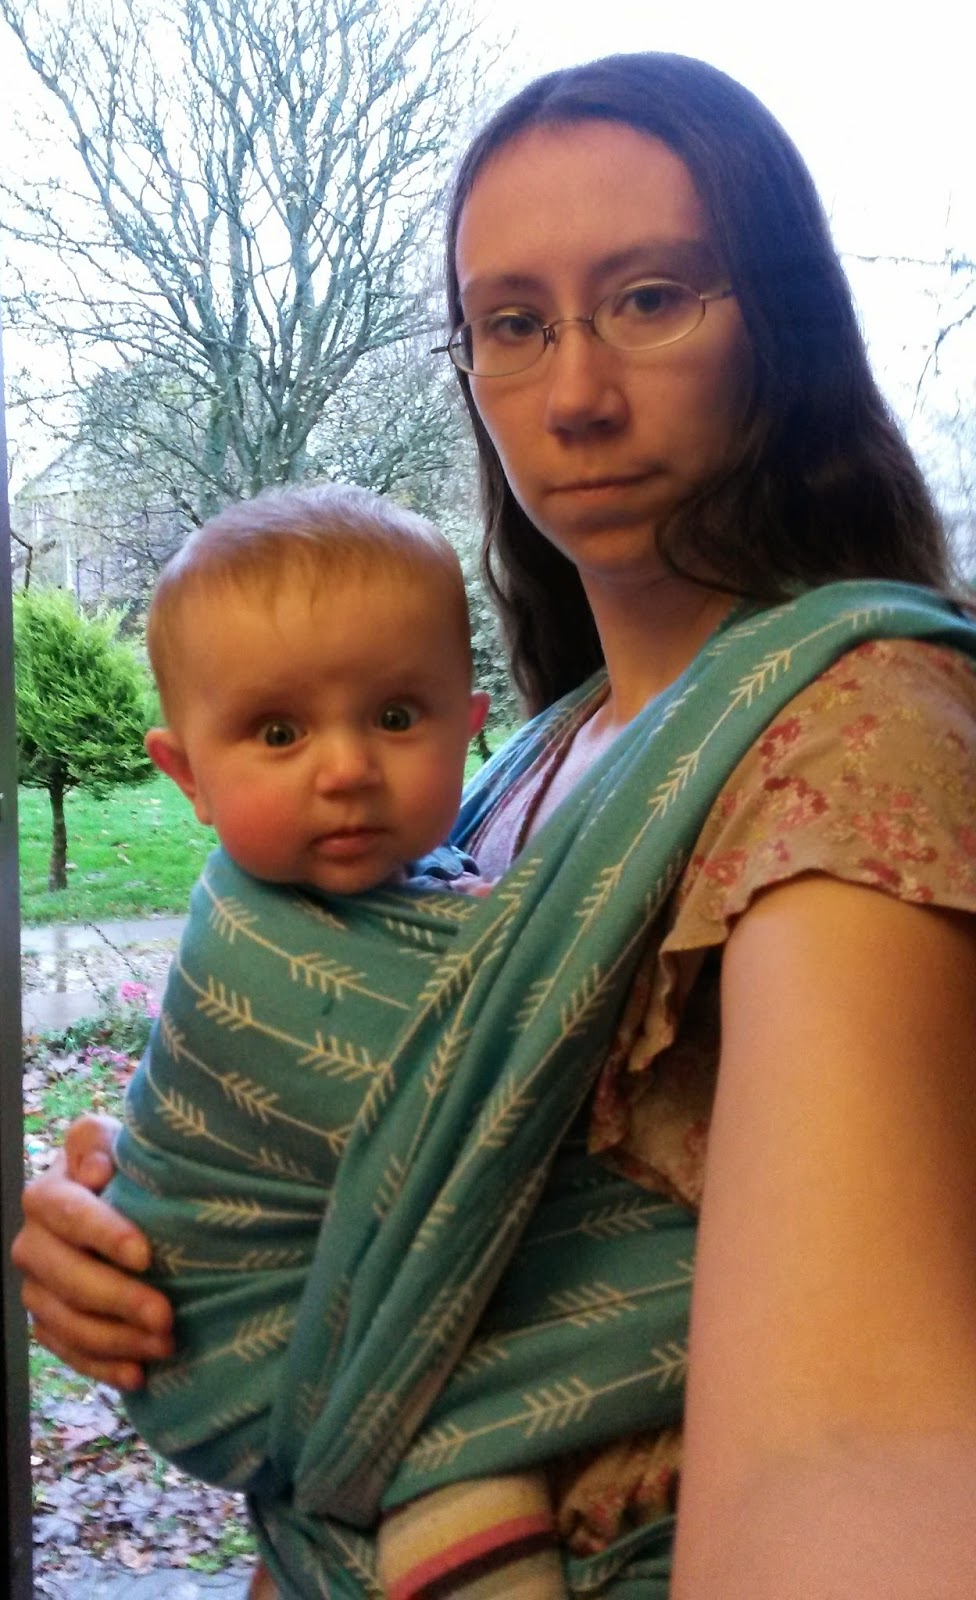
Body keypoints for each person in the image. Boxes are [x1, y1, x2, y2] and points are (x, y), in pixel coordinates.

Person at [14, 50, 976, 1600]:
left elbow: (858, 1447)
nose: (575, 394)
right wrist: (152, 1227)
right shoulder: (530, 754)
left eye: (651, 298)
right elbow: (411, 1158)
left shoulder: (855, 739)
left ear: (783, 324)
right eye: (514, 324)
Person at [106, 480, 569, 1599]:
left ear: (468, 727)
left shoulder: (438, 883)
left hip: (346, 1315)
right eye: (279, 732)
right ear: (188, 776)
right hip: (244, 1338)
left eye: (397, 718)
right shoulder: (251, 949)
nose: (350, 767)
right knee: (474, 1489)